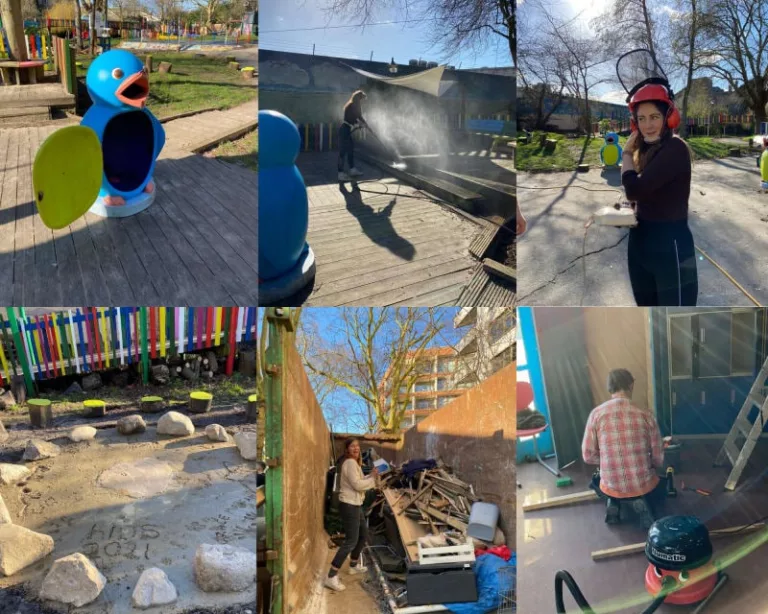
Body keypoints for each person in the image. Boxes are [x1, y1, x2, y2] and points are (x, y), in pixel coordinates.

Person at [621, 83, 698, 307]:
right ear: (635, 123)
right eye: (641, 118)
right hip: (640, 242)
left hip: (670, 246)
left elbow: (633, 189)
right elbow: (643, 193)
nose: (648, 125)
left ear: (669, 117)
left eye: (654, 116)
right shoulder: (645, 150)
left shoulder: (675, 148)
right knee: (647, 312)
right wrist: (630, 209)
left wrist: (626, 153)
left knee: (675, 316)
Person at [582, 368, 667, 529]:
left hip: (611, 484)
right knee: (659, 483)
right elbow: (658, 457)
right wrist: (650, 463)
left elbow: (587, 455)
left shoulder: (596, 414)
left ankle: (613, 501)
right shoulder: (646, 414)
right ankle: (640, 502)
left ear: (610, 388)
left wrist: (606, 459)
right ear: (631, 385)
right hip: (642, 483)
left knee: (596, 481)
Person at [325, 437, 379, 592]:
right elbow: (357, 485)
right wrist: (372, 478)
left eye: (357, 446)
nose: (356, 448)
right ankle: (331, 576)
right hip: (349, 505)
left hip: (355, 504)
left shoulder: (354, 463)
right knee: (351, 541)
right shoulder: (349, 463)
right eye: (352, 446)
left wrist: (371, 475)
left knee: (363, 534)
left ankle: (353, 565)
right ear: (347, 449)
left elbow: (359, 481)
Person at [338, 90, 370, 182]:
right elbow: (358, 117)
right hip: (345, 130)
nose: (362, 101)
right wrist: (364, 124)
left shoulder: (352, 105)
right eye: (362, 99)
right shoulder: (353, 105)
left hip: (346, 129)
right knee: (343, 152)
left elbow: (355, 118)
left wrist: (360, 124)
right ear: (358, 98)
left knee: (350, 150)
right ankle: (340, 174)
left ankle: (352, 170)